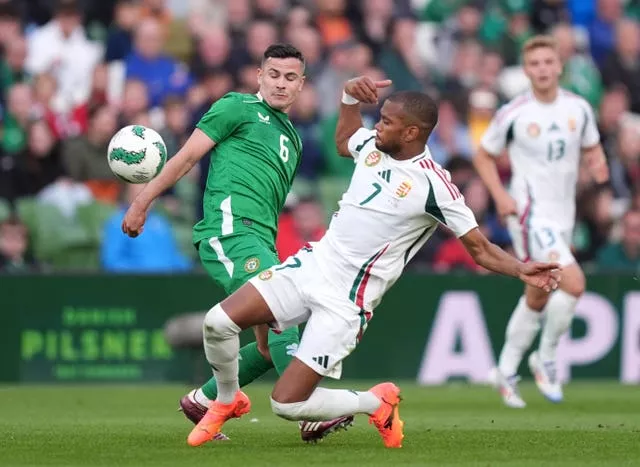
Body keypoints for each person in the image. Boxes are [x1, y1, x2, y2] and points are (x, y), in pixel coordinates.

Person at [184, 77, 561, 448]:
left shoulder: (435, 186)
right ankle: (227, 398)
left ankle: (375, 402)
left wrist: (522, 268)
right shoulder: (374, 146)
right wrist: (348, 96)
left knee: (286, 404)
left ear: (412, 132)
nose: (377, 126)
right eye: (378, 118)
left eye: (387, 121)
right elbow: (344, 138)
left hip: (346, 301)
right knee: (218, 323)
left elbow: (479, 248)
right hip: (311, 266)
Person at [122, 44, 350, 441]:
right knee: (285, 316)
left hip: (262, 239)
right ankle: (309, 409)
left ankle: (204, 400)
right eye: (274, 74)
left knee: (266, 348)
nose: (281, 83)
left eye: (290, 77)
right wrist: (143, 200)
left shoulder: (292, 139)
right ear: (259, 76)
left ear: (302, 85)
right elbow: (188, 157)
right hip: (230, 232)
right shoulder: (236, 107)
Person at [472, 35, 609, 408]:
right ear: (526, 70)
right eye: (535, 64)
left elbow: (591, 145)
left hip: (563, 214)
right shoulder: (514, 112)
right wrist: (500, 196)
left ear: (559, 65)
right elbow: (483, 156)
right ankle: (546, 358)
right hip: (528, 212)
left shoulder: (579, 108)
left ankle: (505, 368)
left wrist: (597, 162)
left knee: (538, 292)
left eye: (549, 62)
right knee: (573, 283)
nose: (543, 69)